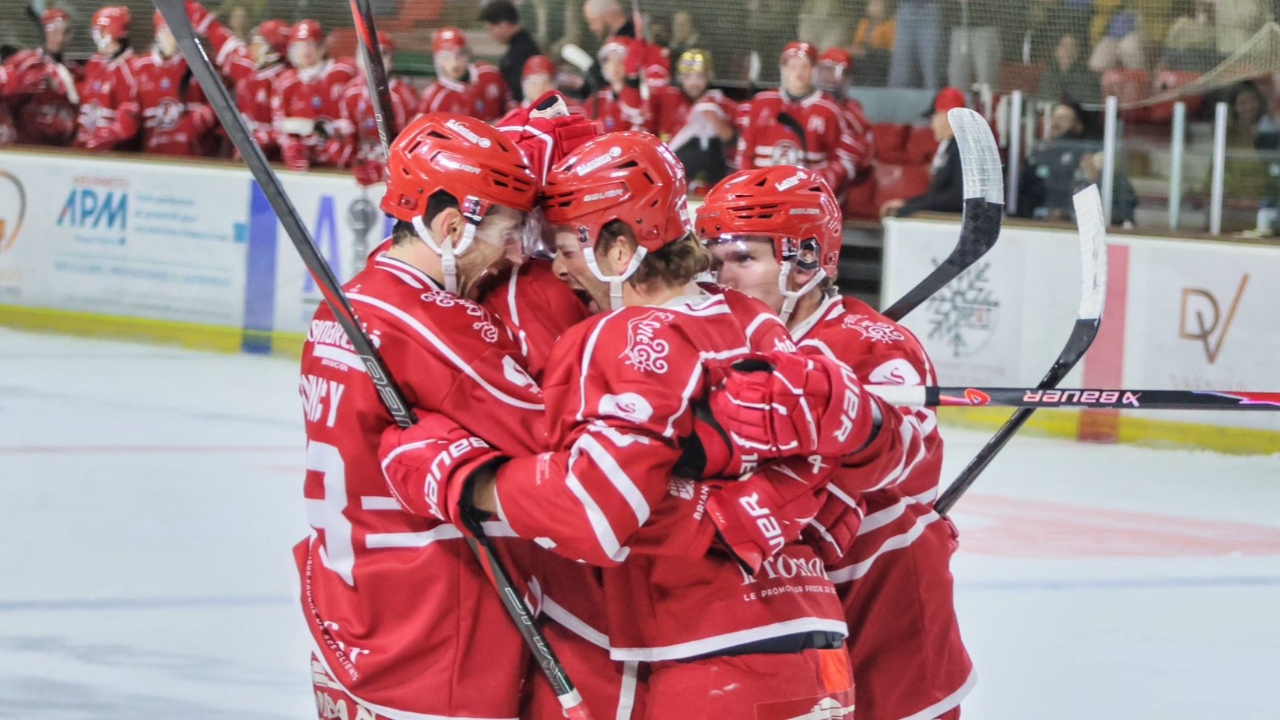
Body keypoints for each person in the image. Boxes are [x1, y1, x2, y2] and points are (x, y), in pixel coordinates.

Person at [390, 131, 867, 718]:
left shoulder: (612, 336)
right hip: (820, 647)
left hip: (709, 662)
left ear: (618, 250)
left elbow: (594, 512)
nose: (557, 268)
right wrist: (730, 507)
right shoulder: (751, 317)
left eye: (566, 247)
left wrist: (460, 479)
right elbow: (827, 463)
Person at [696, 165, 974, 720]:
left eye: (743, 260)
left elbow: (909, 456)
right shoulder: (718, 334)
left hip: (884, 589)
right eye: (714, 259)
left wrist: (845, 416)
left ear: (805, 260)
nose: (721, 279)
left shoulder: (872, 344)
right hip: (787, 598)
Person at [295, 114, 548, 720]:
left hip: (349, 615)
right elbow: (553, 440)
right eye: (508, 230)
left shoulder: (352, 300)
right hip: (430, 633)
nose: (515, 253)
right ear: (451, 226)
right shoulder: (434, 328)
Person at [737, 41, 860, 199]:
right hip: (762, 196)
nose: (799, 72)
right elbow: (744, 152)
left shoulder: (830, 110)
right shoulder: (761, 103)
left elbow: (846, 161)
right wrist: (751, 188)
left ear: (814, 70)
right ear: (784, 69)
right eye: (793, 66)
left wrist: (818, 185)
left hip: (807, 200)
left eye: (805, 66)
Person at [272, 19, 356, 171]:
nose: (305, 51)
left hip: (343, 162)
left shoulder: (344, 72)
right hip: (306, 162)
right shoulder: (286, 83)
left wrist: (343, 143)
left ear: (321, 46)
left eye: (310, 44)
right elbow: (279, 124)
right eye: (299, 46)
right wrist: (291, 147)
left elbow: (357, 115)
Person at [338, 30, 416, 186]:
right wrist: (348, 159)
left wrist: (385, 168)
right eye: (366, 55)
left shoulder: (403, 96)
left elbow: (411, 147)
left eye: (382, 55)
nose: (373, 62)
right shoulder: (350, 92)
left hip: (395, 178)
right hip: (358, 173)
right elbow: (347, 136)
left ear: (391, 61)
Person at [134, 11, 216, 157]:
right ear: (158, 33)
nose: (174, 37)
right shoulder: (140, 67)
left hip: (191, 157)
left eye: (177, 32)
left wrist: (199, 119)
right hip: (152, 157)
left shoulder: (198, 64)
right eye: (169, 31)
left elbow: (218, 102)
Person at [656, 49, 738, 189]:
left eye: (699, 76)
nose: (694, 82)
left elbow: (733, 141)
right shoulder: (667, 100)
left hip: (714, 179)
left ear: (708, 76)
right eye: (688, 76)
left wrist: (716, 121)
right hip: (674, 178)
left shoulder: (720, 103)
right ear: (680, 77)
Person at [880, 87, 965, 218]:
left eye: (934, 116)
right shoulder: (952, 147)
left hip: (951, 221)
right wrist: (907, 203)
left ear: (947, 116)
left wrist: (912, 207)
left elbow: (957, 196)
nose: (932, 124)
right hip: (945, 217)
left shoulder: (960, 149)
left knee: (901, 215)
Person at [1, 8, 80, 147]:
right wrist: (18, 83)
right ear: (44, 33)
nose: (60, 38)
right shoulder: (26, 62)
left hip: (60, 148)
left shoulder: (74, 71)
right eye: (54, 31)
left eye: (65, 32)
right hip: (25, 146)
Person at [75, 6, 141, 151]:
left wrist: (107, 136)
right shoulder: (95, 62)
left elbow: (129, 121)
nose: (95, 36)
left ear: (109, 33)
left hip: (113, 155)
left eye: (98, 31)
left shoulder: (130, 68)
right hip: (84, 149)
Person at [1018, 101, 1098, 220]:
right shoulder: (1039, 153)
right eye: (1054, 118)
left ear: (1078, 125)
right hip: (1036, 222)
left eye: (1062, 118)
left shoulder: (1086, 155)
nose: (1055, 123)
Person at [418, 27, 510, 122]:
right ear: (438, 61)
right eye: (446, 57)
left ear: (467, 54)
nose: (454, 62)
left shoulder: (489, 74)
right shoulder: (433, 98)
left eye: (459, 54)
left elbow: (510, 109)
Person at [816, 47, 875, 181]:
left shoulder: (852, 111)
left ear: (847, 77)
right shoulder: (805, 105)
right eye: (824, 69)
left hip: (832, 182)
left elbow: (864, 155)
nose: (828, 77)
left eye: (835, 71)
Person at [481, 0, 541, 105]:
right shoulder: (525, 42)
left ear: (504, 25)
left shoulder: (519, 53)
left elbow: (518, 92)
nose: (491, 35)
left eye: (491, 29)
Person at [887, 0, 942, 89]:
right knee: (901, 67)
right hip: (905, 8)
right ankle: (897, 101)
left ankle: (934, 101)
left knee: (931, 67)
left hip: (930, 8)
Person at [1037, 32, 1101, 104]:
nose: (1068, 50)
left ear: (1078, 52)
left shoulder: (1086, 77)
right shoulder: (1049, 75)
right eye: (1064, 46)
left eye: (1072, 46)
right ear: (1056, 51)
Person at [850, 0, 895, 85]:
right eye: (872, 3)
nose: (873, 6)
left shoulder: (891, 24)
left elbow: (891, 51)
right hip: (863, 59)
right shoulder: (865, 23)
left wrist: (868, 52)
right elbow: (858, 44)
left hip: (881, 60)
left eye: (878, 4)